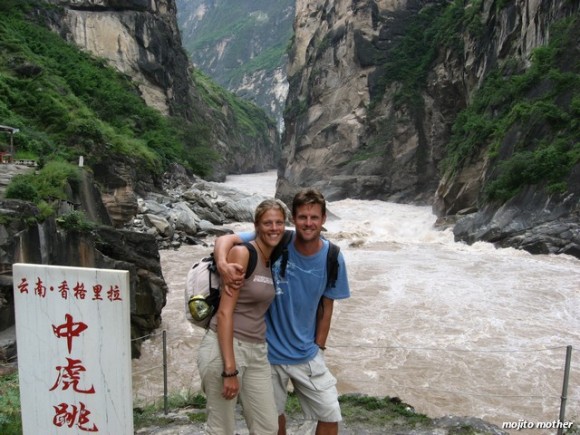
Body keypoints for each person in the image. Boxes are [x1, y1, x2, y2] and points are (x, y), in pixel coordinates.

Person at [214, 188, 351, 435]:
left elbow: (327, 307)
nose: (308, 223)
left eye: (314, 217)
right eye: (302, 217)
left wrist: (319, 347)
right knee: (273, 420)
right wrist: (223, 264)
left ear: (323, 220)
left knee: (330, 413)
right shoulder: (276, 239)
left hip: (307, 354)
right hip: (268, 355)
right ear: (294, 219)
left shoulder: (333, 256)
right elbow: (226, 239)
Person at [196, 198, 287, 434]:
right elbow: (225, 314)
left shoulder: (271, 257)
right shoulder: (243, 253)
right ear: (256, 226)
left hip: (257, 351)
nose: (274, 228)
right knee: (222, 428)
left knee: (268, 426)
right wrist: (230, 370)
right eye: (268, 223)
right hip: (225, 349)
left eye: (279, 222)